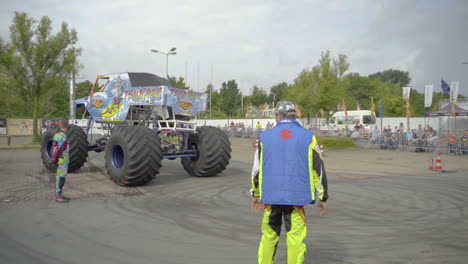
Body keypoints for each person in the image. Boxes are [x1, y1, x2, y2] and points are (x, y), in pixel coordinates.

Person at [250, 101, 328, 264]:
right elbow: (318, 169)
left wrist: (256, 193)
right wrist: (323, 197)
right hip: (297, 198)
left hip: (271, 197)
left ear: (278, 116)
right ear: (294, 116)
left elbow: (257, 170)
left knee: (269, 236)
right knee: (295, 239)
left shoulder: (265, 137)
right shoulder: (308, 136)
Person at [51, 119, 70, 203]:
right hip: (62, 159)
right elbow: (59, 149)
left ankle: (59, 194)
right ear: (68, 125)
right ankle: (58, 196)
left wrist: (54, 159)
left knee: (60, 176)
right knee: (61, 177)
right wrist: (56, 159)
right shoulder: (63, 136)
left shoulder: (57, 135)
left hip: (60, 159)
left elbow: (54, 149)